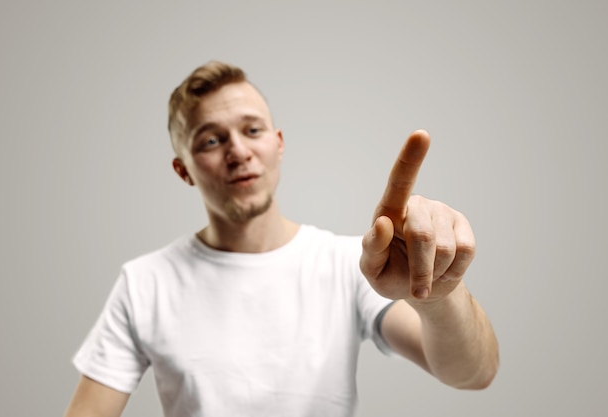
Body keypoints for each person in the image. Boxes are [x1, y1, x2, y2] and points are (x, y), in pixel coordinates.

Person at [64, 61, 499, 417]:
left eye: (252, 130)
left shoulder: (349, 264)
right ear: (184, 170)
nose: (238, 151)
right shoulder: (146, 282)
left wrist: (437, 295)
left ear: (278, 144)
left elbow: (472, 374)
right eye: (212, 140)